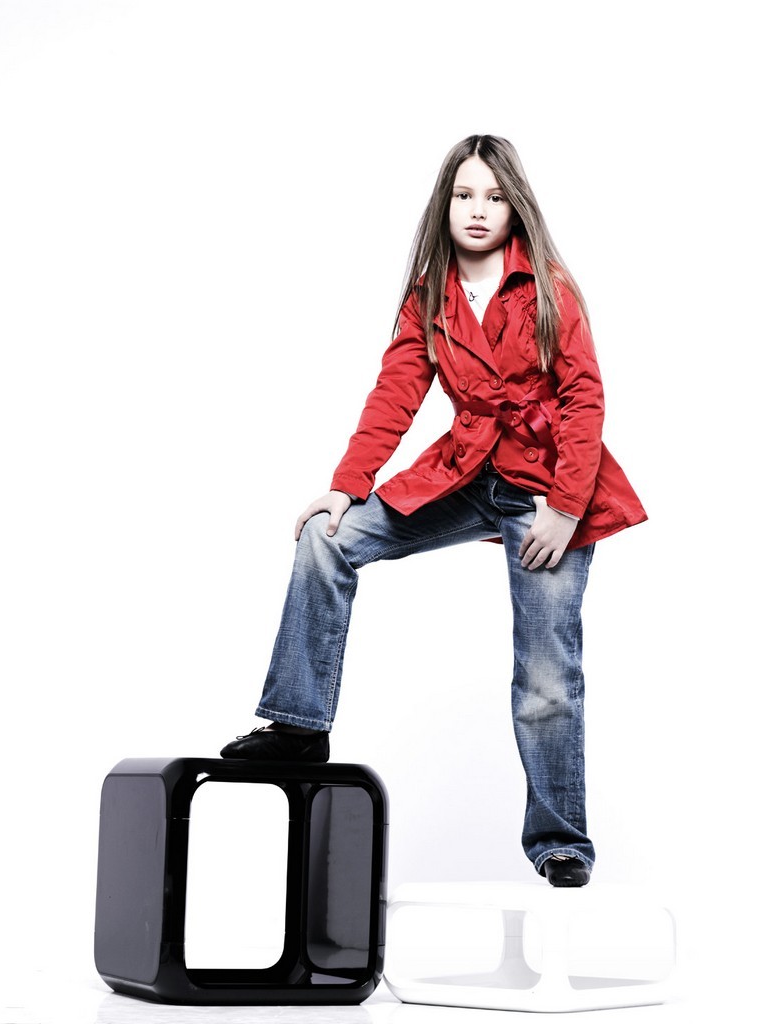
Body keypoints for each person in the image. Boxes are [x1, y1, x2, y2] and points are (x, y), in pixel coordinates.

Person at [221, 135, 646, 887]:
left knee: (546, 678)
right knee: (325, 539)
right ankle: (298, 725)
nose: (478, 210)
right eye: (464, 194)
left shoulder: (548, 286)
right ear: (444, 204)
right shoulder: (430, 293)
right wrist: (347, 485)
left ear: (515, 206)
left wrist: (564, 507)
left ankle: (561, 843)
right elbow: (396, 392)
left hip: (546, 485)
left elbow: (585, 398)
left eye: (494, 196)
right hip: (466, 470)